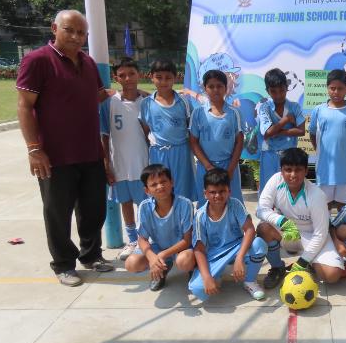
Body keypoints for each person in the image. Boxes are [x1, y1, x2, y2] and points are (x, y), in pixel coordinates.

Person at [16, 9, 114, 287]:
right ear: (54, 29)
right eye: (69, 30)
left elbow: (98, 96)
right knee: (58, 213)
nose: (76, 37)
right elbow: (24, 106)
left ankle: (91, 255)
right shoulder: (37, 60)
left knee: (94, 208)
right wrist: (34, 148)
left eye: (81, 32)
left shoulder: (88, 62)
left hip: (90, 151)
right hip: (55, 156)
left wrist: (134, 94)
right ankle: (63, 264)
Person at [256, 148, 345, 288]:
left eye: (298, 170)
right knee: (263, 228)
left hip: (312, 236)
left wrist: (303, 261)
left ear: (306, 171)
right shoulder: (275, 180)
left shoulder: (317, 195)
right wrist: (282, 221)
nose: (293, 175)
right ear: (281, 170)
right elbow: (261, 210)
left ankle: (309, 263)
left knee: (332, 275)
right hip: (288, 233)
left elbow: (320, 233)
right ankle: (277, 267)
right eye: (288, 169)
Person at [188, 168, 267, 301]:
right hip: (214, 255)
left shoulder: (235, 204)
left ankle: (249, 281)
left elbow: (249, 229)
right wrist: (207, 277)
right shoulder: (200, 215)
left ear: (229, 191)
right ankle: (217, 274)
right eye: (213, 192)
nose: (218, 195)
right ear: (205, 194)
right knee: (198, 290)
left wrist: (239, 258)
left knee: (259, 244)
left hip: (236, 247)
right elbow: (199, 249)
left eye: (222, 191)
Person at [100, 57, 149, 260]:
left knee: (145, 204)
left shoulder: (147, 101)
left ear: (139, 75)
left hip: (143, 163)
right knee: (125, 203)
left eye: (131, 74)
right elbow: (104, 136)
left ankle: (146, 240)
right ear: (116, 78)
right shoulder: (109, 103)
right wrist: (106, 164)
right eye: (122, 75)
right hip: (119, 164)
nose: (127, 78)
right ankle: (132, 240)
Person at [125, 164, 196, 291]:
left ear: (172, 182)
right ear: (147, 190)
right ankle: (162, 269)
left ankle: (192, 268)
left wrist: (163, 254)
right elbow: (142, 239)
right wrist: (152, 257)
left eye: (163, 181)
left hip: (181, 248)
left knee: (184, 261)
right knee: (132, 263)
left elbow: (187, 240)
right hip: (158, 247)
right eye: (154, 184)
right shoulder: (144, 207)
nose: (160, 186)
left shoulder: (185, 204)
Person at [139, 59, 196, 201]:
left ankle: (184, 215)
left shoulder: (183, 102)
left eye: (168, 78)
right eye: (159, 77)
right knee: (160, 190)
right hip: (158, 153)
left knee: (182, 191)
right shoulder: (146, 103)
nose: (163, 81)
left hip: (181, 152)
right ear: (151, 77)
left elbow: (191, 128)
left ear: (175, 78)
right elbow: (146, 130)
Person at [309, 69, 346, 209]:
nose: (336, 92)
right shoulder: (319, 110)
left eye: (340, 88)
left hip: (345, 169)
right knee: (323, 205)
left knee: (343, 206)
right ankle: (325, 224)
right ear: (327, 88)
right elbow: (312, 134)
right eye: (332, 88)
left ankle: (341, 224)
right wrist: (320, 151)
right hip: (324, 169)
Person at [189, 70, 244, 203]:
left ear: (226, 88)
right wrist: (208, 166)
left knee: (232, 203)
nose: (215, 90)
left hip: (228, 165)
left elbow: (239, 141)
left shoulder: (234, 113)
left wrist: (230, 170)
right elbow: (193, 142)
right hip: (205, 166)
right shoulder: (198, 113)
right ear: (205, 88)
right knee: (206, 203)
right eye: (211, 86)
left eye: (219, 86)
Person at [257, 68, 306, 194]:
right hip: (269, 154)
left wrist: (278, 131)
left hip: (289, 156)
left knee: (288, 190)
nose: (278, 95)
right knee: (268, 190)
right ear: (267, 91)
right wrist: (286, 120)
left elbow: (301, 131)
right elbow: (267, 133)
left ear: (287, 88)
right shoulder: (264, 107)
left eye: (281, 90)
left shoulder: (295, 106)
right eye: (273, 91)